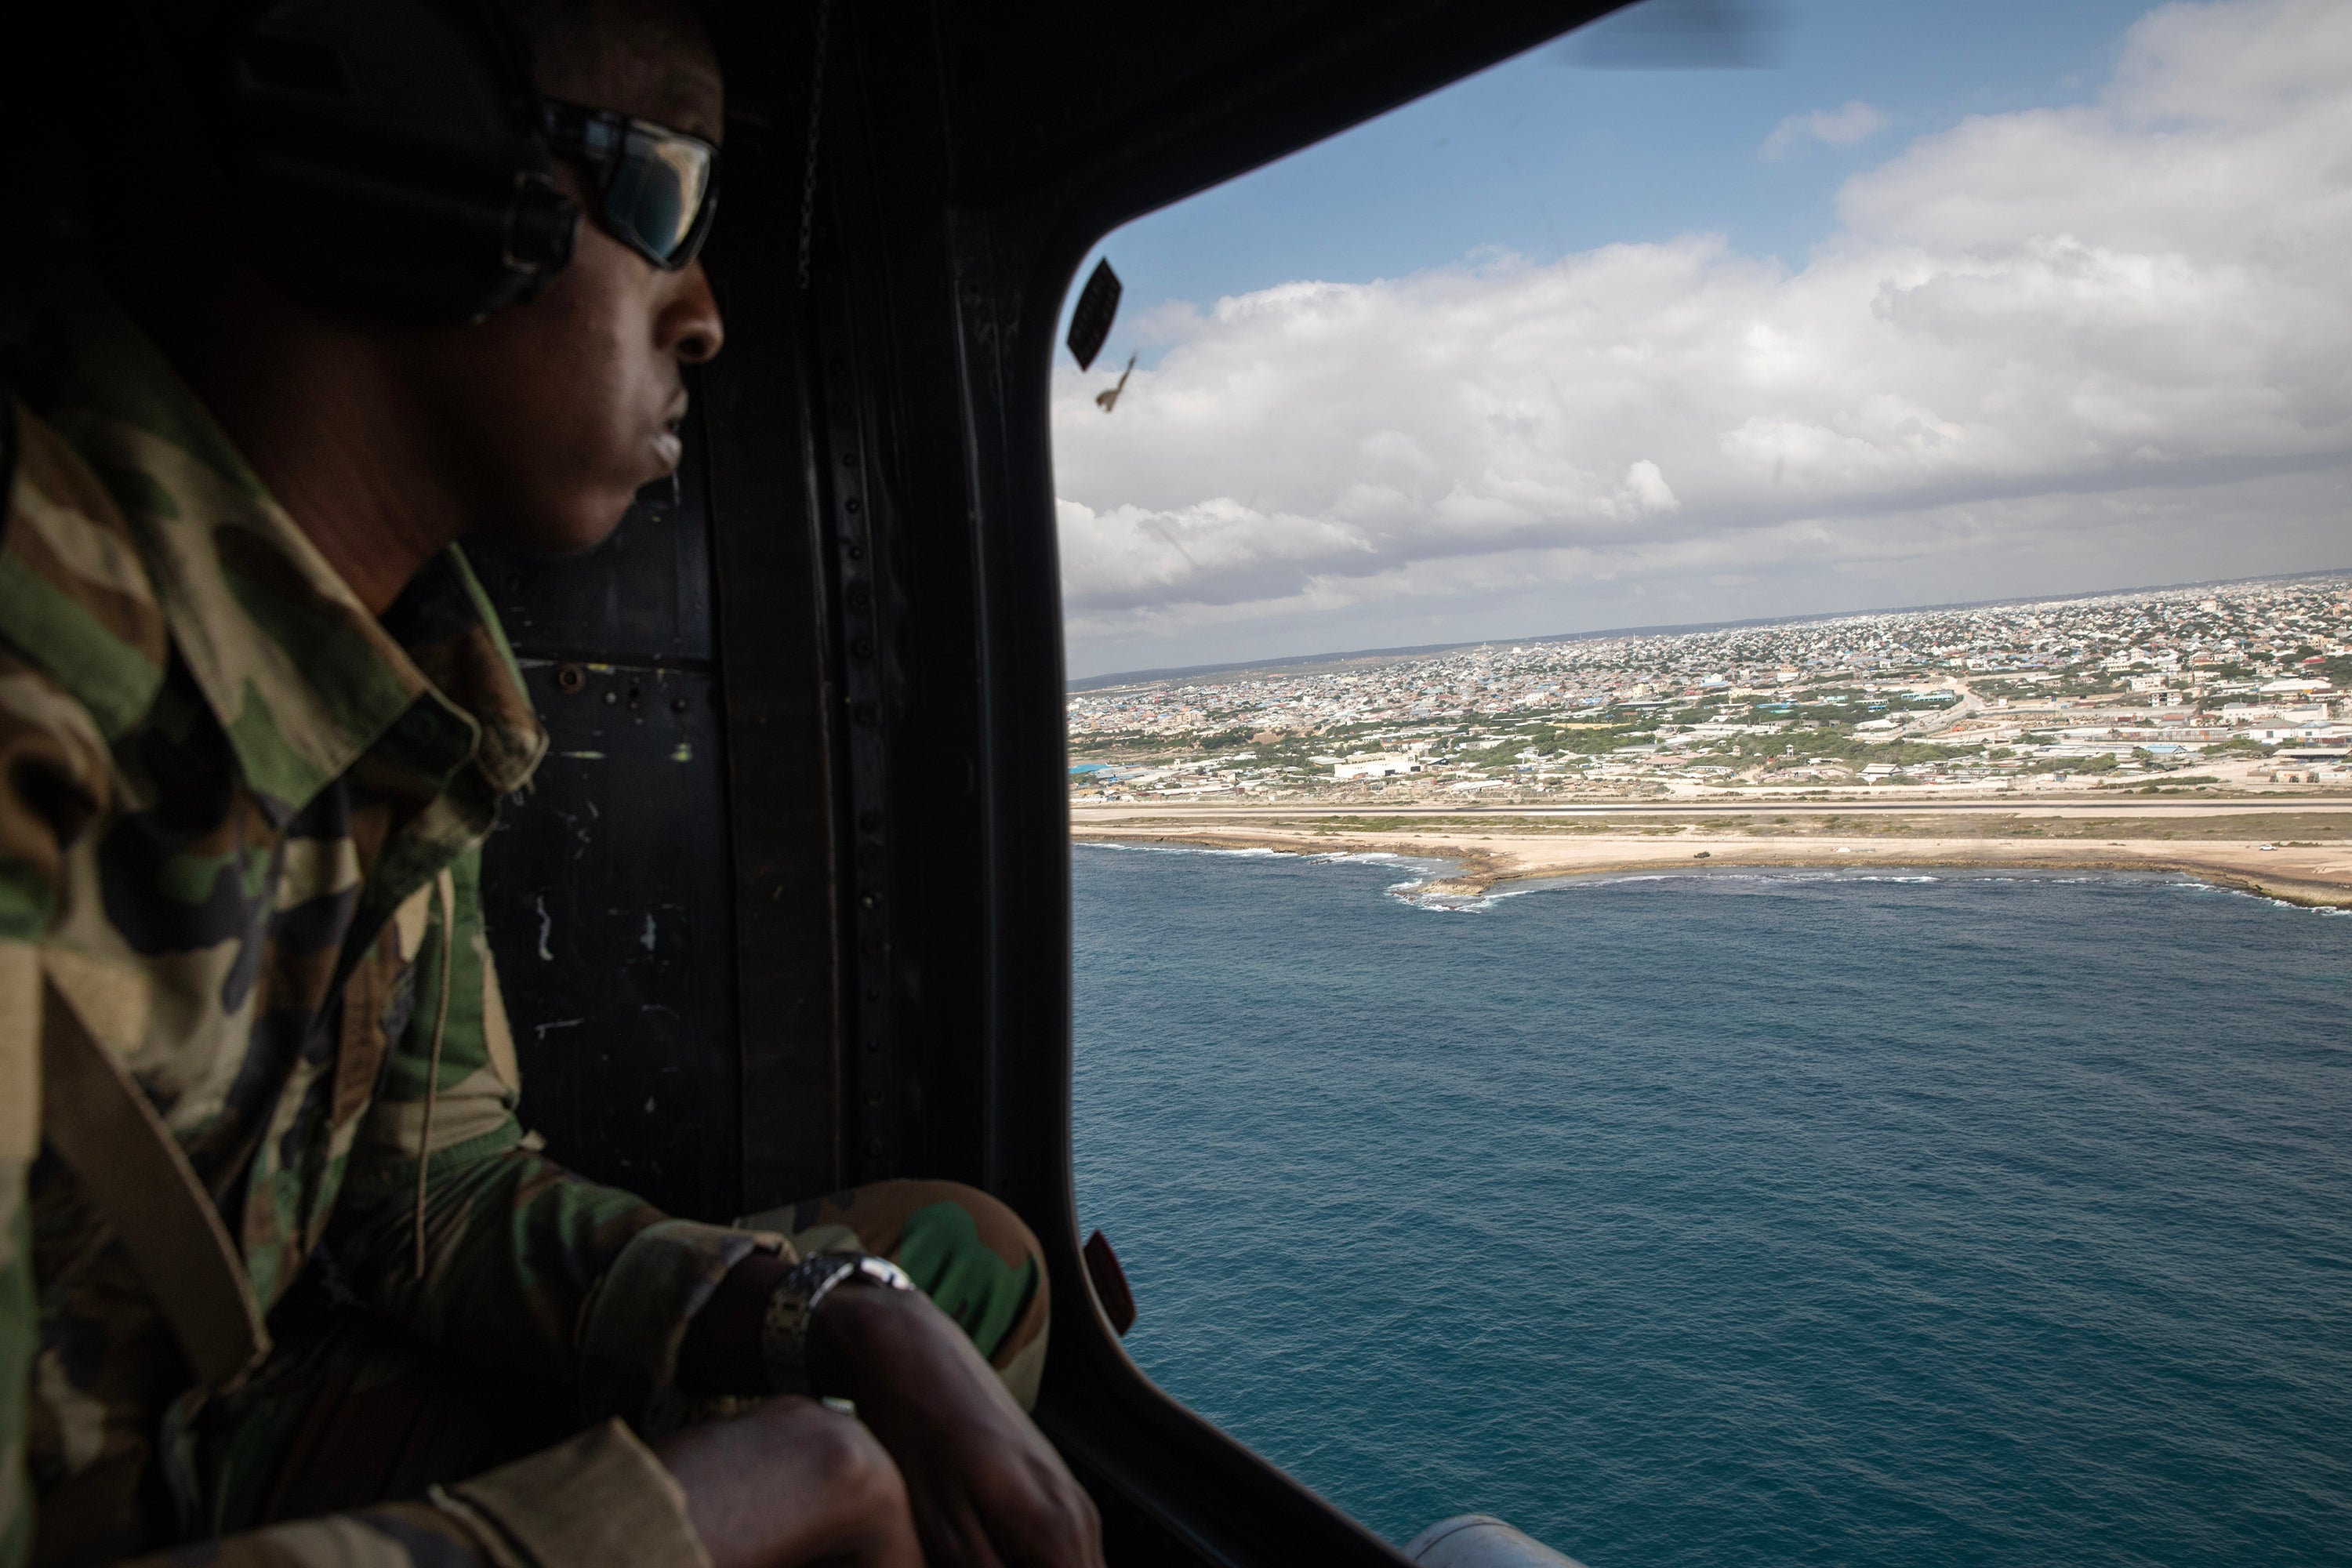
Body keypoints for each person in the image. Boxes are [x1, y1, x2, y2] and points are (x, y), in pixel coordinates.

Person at [0, 3, 1105, 1566]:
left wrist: (836, 1315)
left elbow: (433, 1192)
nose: (706, 314)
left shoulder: (396, 678)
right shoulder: (43, 634)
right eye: (665, 195)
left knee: (955, 1275)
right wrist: (689, 1518)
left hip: (221, 1426)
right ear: (384, 136)